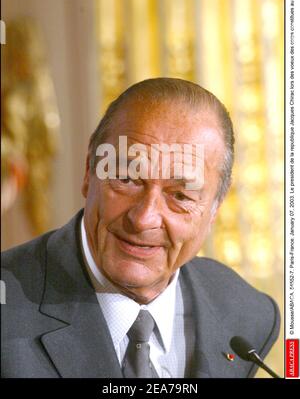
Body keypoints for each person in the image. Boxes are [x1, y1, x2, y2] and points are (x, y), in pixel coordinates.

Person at [1, 78, 280, 378]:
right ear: (89, 171)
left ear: (214, 209)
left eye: (180, 196)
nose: (144, 218)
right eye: (127, 179)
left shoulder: (248, 314)